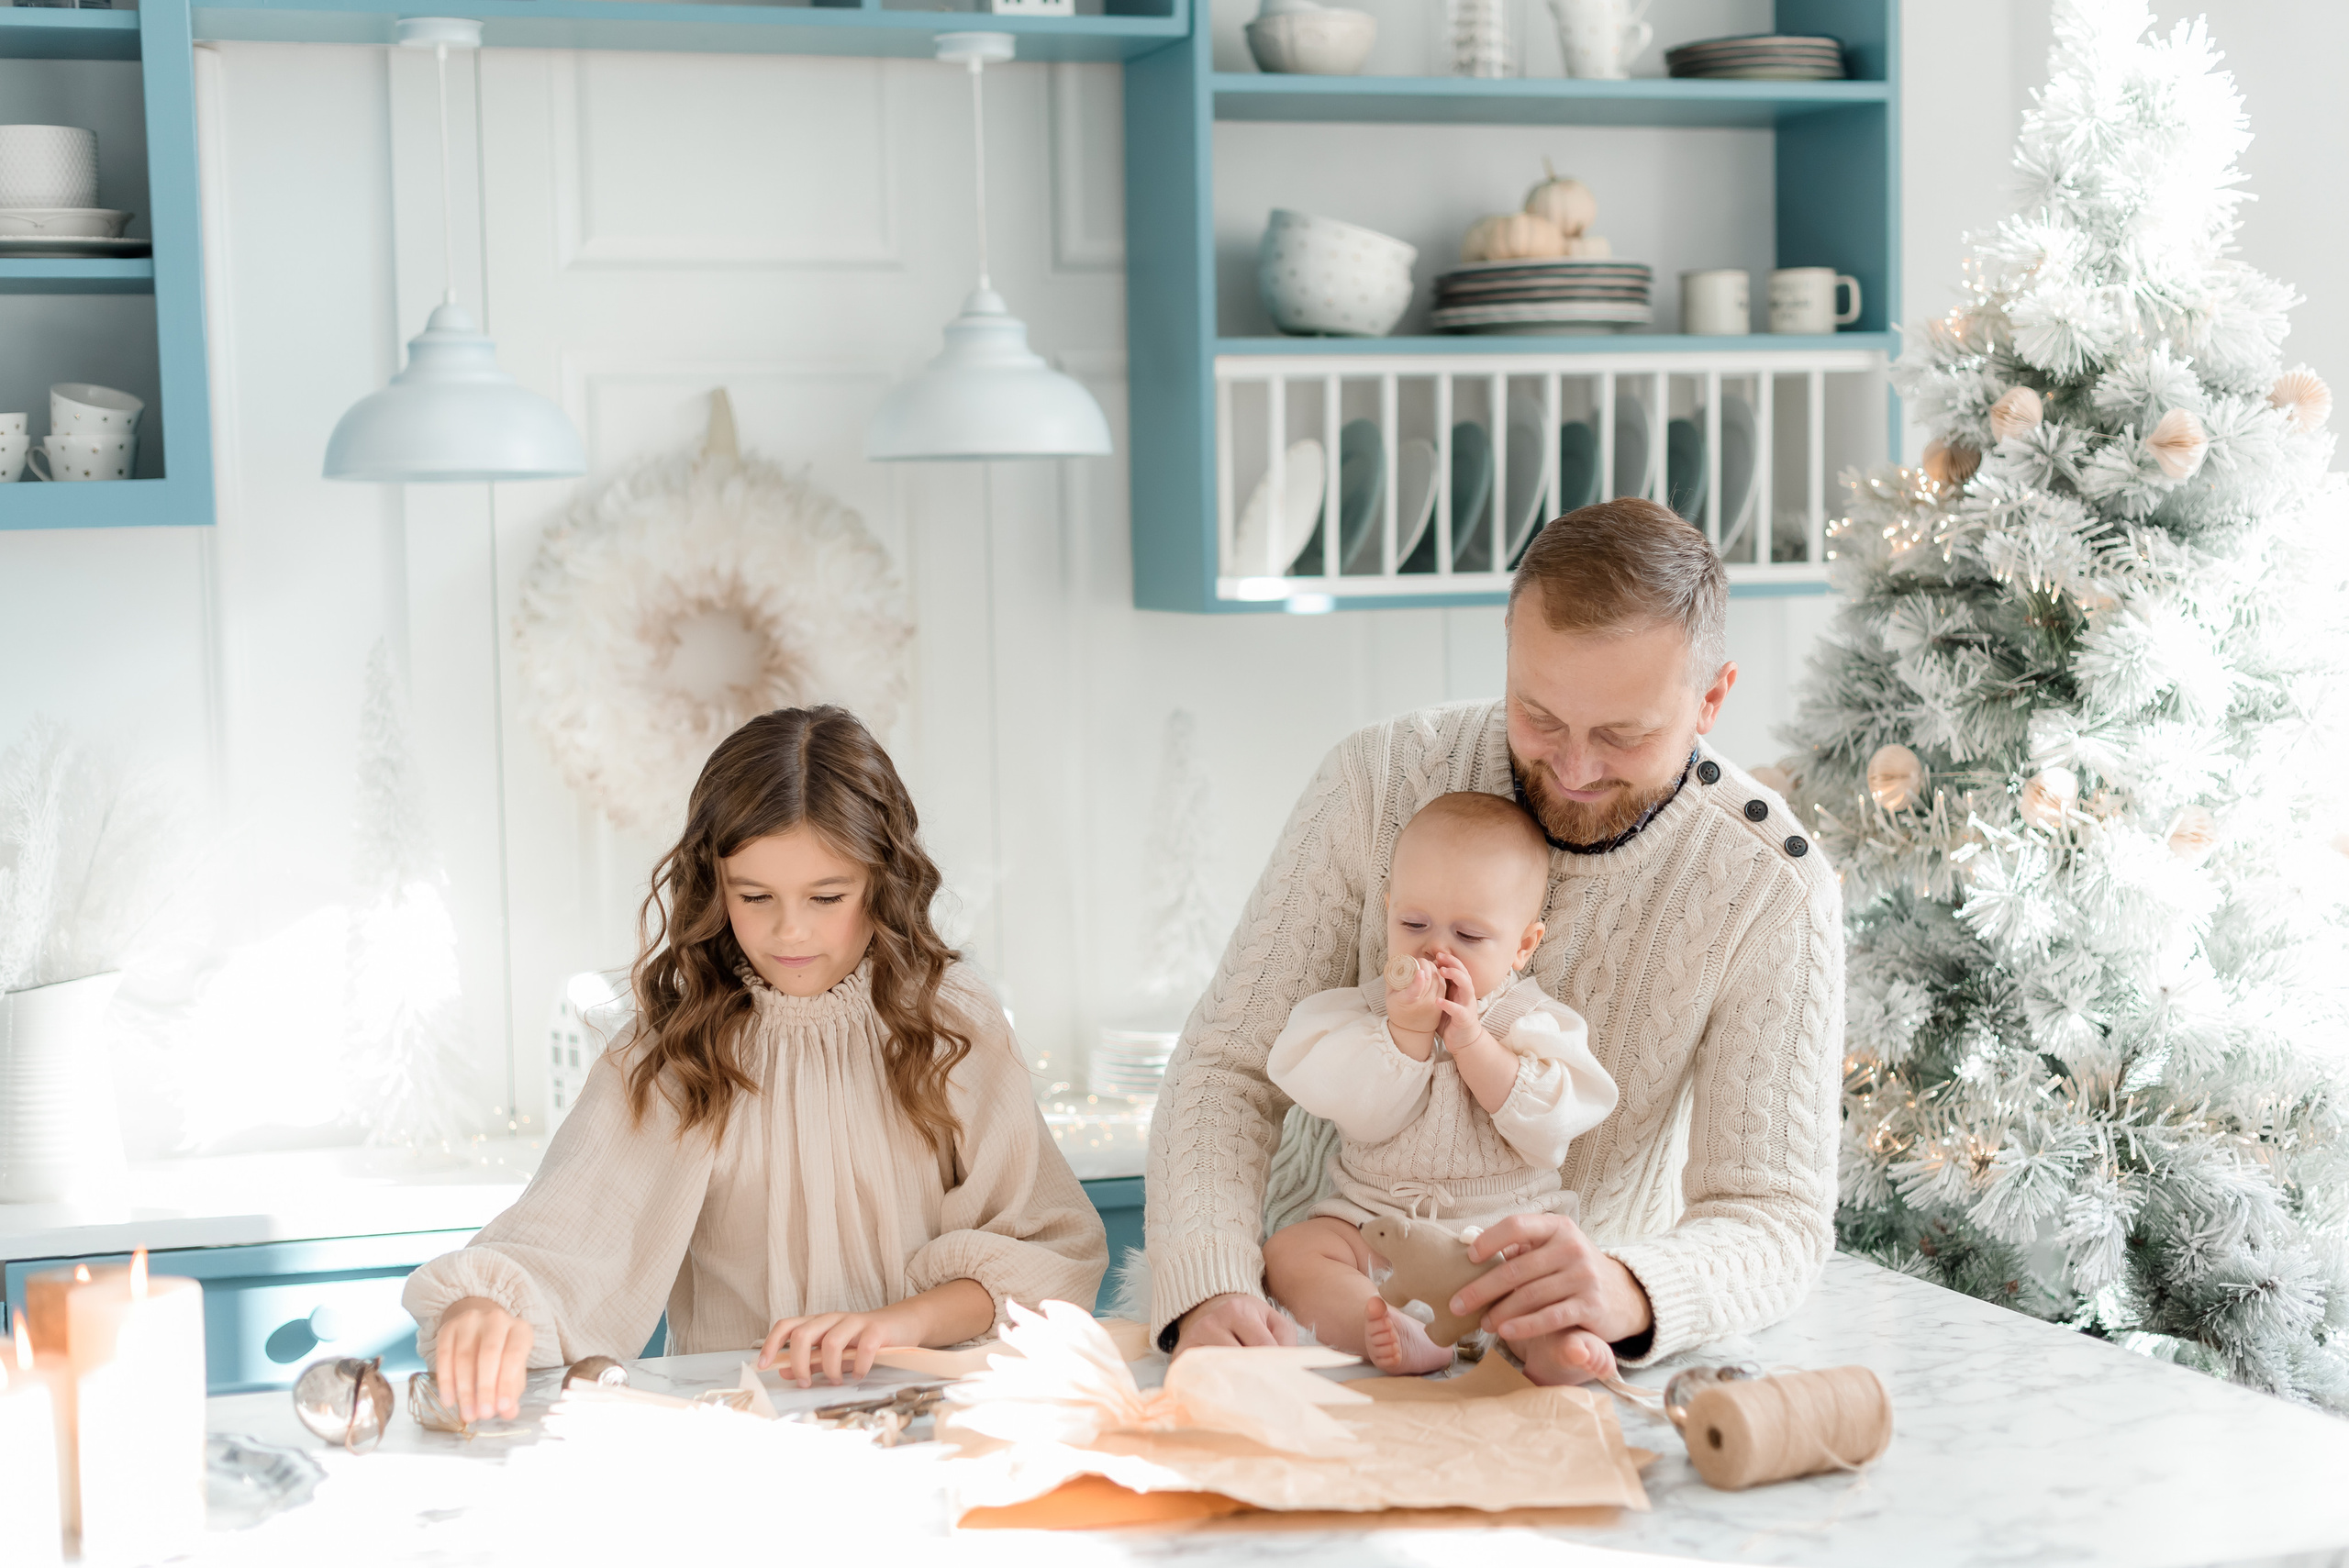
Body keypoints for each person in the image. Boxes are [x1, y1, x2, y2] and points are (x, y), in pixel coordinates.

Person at [1144, 497, 1843, 1384]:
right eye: (1540, 715)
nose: (1575, 767)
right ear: (1509, 642)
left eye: (1622, 735)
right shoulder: (1380, 777)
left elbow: (1771, 1213)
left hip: (1549, 1335)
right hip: (1305, 1318)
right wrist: (1210, 1281)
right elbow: (1226, 1066)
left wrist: (1629, 1287)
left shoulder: (1772, 887)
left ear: (1712, 697)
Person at [404, 706, 1106, 1421]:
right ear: (715, 886)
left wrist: (898, 1324)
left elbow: (1049, 1253)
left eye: (827, 897)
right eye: (755, 896)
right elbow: (569, 1238)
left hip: (935, 1426)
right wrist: (485, 1303)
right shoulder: (677, 1046)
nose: (789, 930)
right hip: (740, 1439)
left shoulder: (951, 1023)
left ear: (883, 881)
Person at [1260, 790, 1618, 1375]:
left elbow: (1550, 1125)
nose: (1436, 948)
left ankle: (1558, 1347)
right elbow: (1362, 1111)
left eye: (1470, 937)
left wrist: (1473, 1042)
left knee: (1551, 1277)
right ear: (1388, 910)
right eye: (1414, 923)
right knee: (1293, 1253)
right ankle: (1382, 1323)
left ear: (1524, 945)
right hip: (1374, 1224)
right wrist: (1405, 1033)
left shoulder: (1532, 1023)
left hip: (1499, 1234)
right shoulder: (1365, 1015)